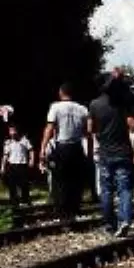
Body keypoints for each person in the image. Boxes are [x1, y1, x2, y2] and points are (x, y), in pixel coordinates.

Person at [88, 72, 134, 237]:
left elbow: (90, 129)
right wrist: (122, 79)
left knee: (107, 189)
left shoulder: (94, 105)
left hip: (105, 153)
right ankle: (125, 221)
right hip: (123, 151)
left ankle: (109, 224)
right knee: (125, 189)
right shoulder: (121, 102)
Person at [40, 85, 91, 222]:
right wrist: (89, 152)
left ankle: (61, 210)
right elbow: (88, 132)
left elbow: (49, 128)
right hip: (77, 147)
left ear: (60, 93)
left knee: (59, 180)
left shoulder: (55, 107)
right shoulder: (82, 109)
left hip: (62, 147)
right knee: (75, 180)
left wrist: (43, 148)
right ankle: (74, 208)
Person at [0, 122, 34, 223]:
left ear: (17, 131)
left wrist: (31, 160)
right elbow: (5, 155)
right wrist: (2, 167)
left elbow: (31, 150)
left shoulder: (24, 140)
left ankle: (25, 200)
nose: (12, 133)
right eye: (10, 131)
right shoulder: (8, 143)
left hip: (22, 165)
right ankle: (14, 202)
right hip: (12, 165)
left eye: (14, 130)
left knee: (24, 184)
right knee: (12, 185)